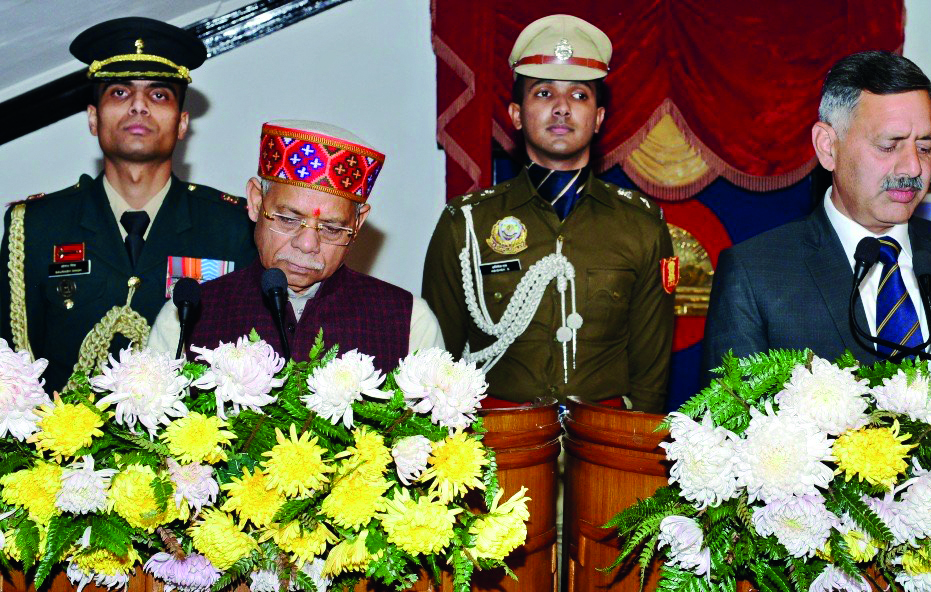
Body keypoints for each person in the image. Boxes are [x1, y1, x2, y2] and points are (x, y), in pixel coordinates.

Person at [702, 50, 931, 383]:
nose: (913, 167)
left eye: (924, 146)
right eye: (889, 145)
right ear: (828, 146)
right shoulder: (756, 276)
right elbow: (727, 428)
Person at [422, 14, 674, 412]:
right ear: (517, 115)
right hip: (499, 447)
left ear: (599, 119)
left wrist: (633, 454)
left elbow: (651, 371)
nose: (561, 108)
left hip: (604, 448)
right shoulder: (466, 224)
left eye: (579, 96)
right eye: (543, 94)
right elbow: (437, 360)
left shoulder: (640, 224)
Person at [0, 17, 256, 392]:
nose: (138, 106)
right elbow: (10, 366)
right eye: (119, 93)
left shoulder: (231, 226)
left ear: (182, 123)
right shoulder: (38, 226)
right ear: (93, 118)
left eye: (159, 95)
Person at [148, 120, 443, 368]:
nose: (306, 244)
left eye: (331, 228)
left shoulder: (408, 322)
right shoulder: (186, 315)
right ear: (255, 201)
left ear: (357, 224)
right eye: (288, 220)